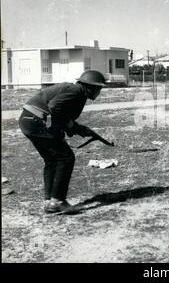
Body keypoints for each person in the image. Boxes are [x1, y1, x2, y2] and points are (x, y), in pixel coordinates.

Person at [18, 70, 106, 214]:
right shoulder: (76, 91)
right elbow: (54, 107)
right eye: (99, 89)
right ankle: (58, 201)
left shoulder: (77, 91)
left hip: (28, 121)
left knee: (52, 160)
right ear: (92, 87)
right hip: (36, 121)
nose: (99, 93)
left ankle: (50, 202)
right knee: (66, 157)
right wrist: (73, 127)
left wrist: (76, 129)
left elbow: (61, 114)